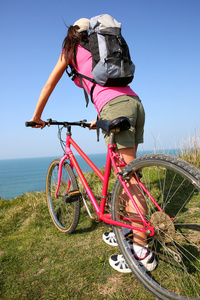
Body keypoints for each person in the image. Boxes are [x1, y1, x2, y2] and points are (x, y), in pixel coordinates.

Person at [30, 17, 157, 273]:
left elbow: (49, 84)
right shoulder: (101, 47)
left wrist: (36, 117)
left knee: (129, 179)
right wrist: (99, 120)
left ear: (71, 35)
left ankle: (141, 250)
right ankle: (123, 228)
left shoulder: (71, 49)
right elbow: (106, 86)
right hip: (133, 102)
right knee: (127, 174)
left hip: (115, 107)